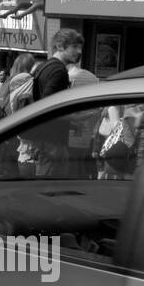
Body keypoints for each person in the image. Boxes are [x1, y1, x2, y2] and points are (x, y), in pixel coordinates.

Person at [29, 29, 85, 178]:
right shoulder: (59, 71)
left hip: (44, 141)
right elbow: (47, 107)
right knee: (48, 191)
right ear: (60, 46)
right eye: (74, 47)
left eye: (80, 47)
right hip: (52, 144)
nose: (79, 51)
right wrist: (74, 118)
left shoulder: (43, 67)